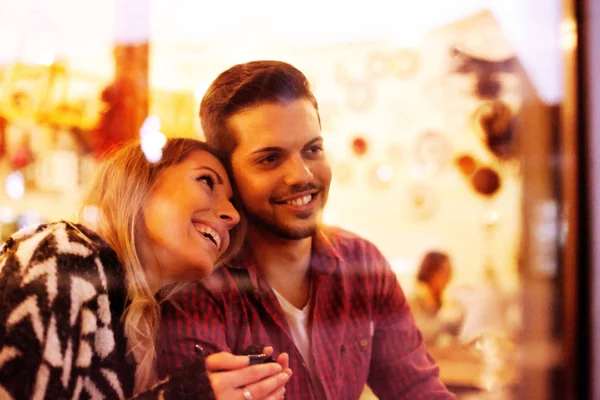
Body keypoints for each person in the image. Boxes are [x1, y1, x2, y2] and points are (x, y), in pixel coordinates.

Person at [157, 61, 455, 399]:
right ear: (228, 176)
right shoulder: (198, 285)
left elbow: (418, 390)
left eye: (312, 149)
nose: (301, 175)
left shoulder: (363, 264)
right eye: (270, 158)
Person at [0, 138, 291, 399]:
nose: (233, 216)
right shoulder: (64, 252)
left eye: (231, 203)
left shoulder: (133, 323)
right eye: (206, 181)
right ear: (142, 183)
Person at [409, 251, 464, 345]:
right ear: (431, 272)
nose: (449, 278)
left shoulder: (442, 301)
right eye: (445, 272)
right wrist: (446, 324)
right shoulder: (412, 302)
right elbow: (420, 334)